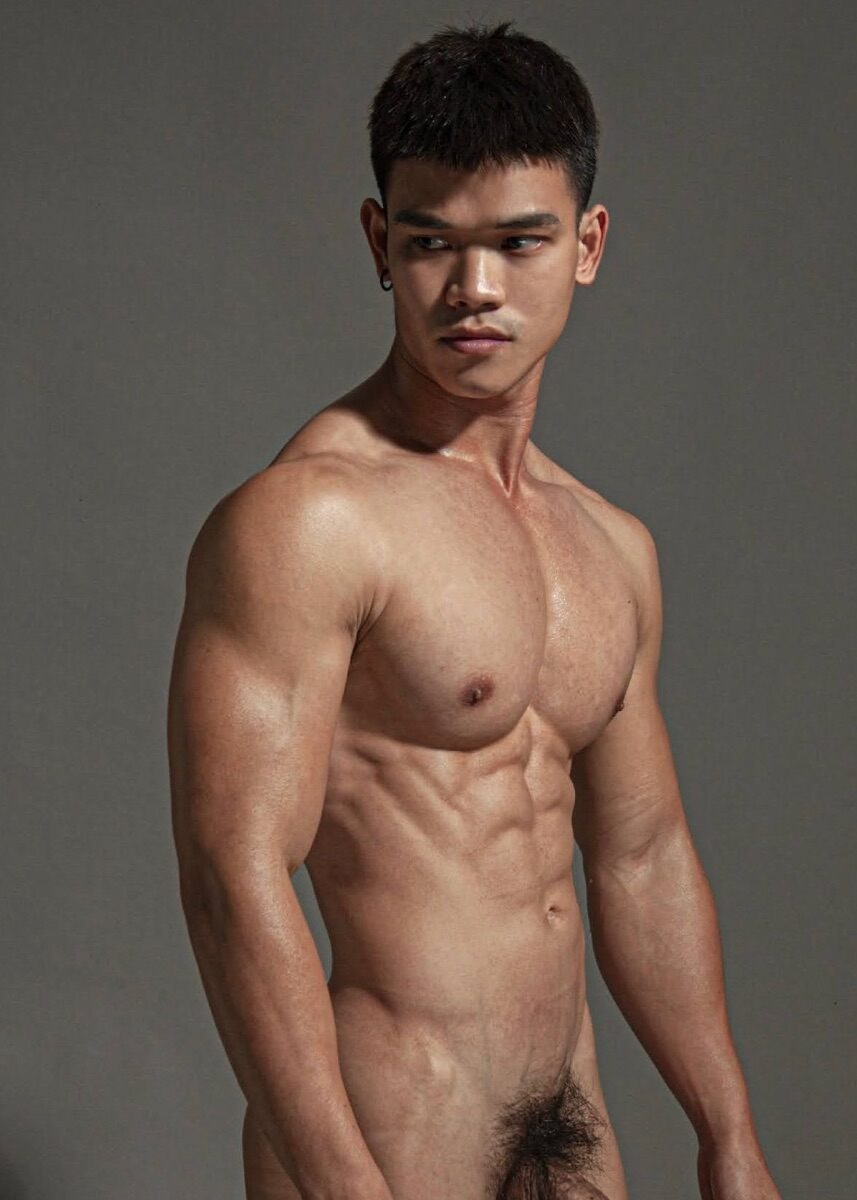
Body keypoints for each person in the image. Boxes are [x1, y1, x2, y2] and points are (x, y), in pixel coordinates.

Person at [167, 20, 782, 1200]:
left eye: (518, 241)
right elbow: (230, 876)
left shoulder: (611, 547)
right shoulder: (310, 521)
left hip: (572, 1131)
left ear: (586, 245)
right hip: (388, 1132)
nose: (474, 290)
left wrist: (727, 1133)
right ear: (378, 243)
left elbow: (641, 855)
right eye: (431, 244)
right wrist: (343, 1186)